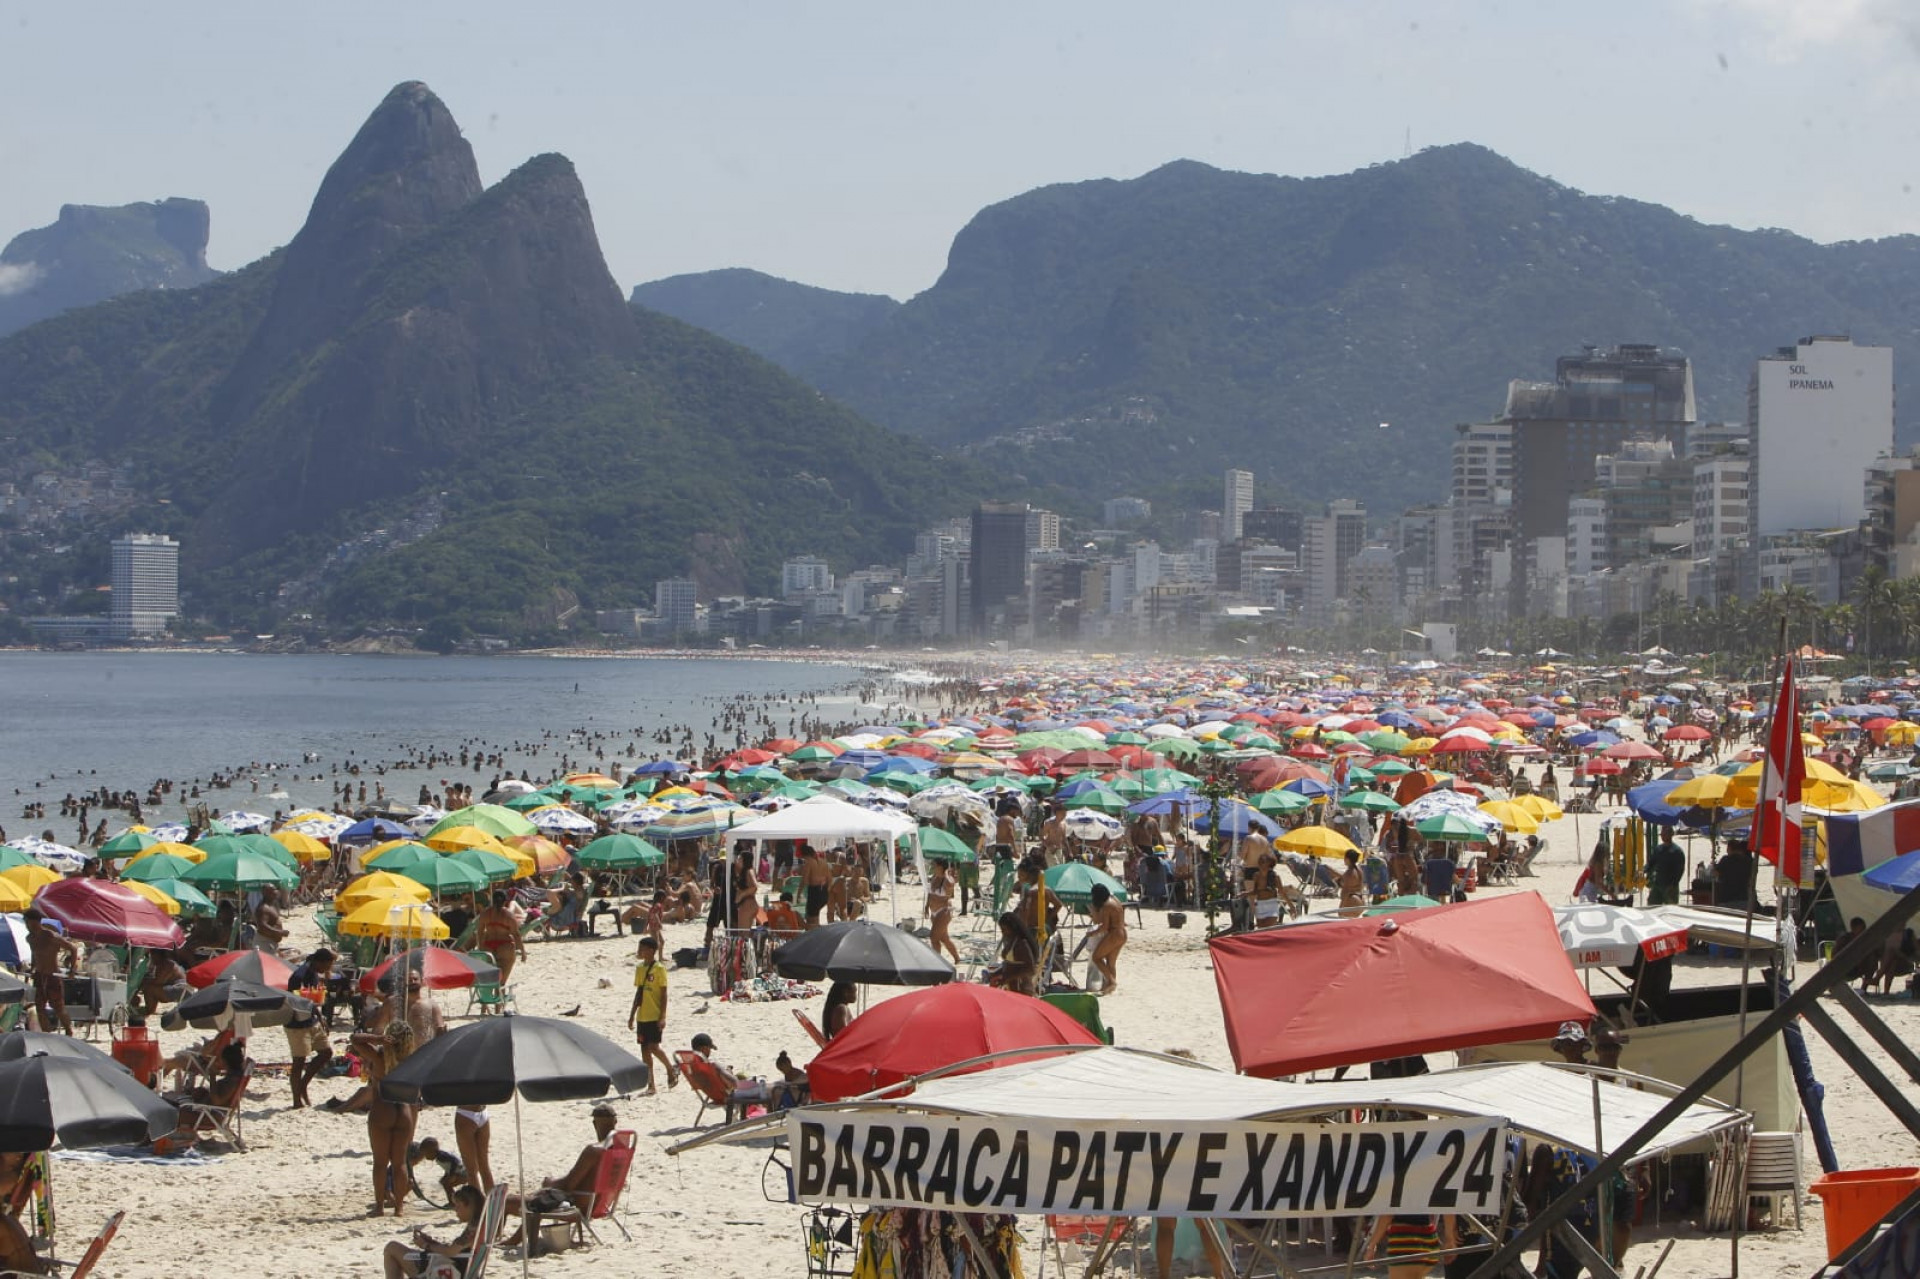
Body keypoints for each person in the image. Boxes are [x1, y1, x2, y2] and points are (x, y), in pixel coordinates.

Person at [500, 1104, 620, 1246]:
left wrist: (550, 1183)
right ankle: (514, 1239)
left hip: (579, 1205)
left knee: (507, 1201)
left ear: (594, 1124)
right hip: (602, 1204)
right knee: (539, 1196)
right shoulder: (621, 1150)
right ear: (615, 1122)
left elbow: (568, 1185)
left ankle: (499, 1239)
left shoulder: (593, 1151)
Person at [352, 1020, 419, 1216]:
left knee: (380, 1163)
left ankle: (380, 1206)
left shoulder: (379, 1056)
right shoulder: (411, 1059)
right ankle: (399, 1208)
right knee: (399, 1163)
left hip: (382, 1109)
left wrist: (379, 1038)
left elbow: (355, 1040)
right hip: (404, 1110)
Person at [382, 1184, 484, 1279]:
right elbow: (456, 1250)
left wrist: (426, 1245)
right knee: (393, 1248)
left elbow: (450, 1251)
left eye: (458, 1206)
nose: (455, 1210)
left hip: (449, 1270)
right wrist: (432, 1243)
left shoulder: (473, 1229)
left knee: (391, 1248)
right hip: (456, 1266)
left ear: (468, 1206)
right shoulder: (480, 1225)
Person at [284, 948, 336, 1109]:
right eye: (327, 966)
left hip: (312, 1020)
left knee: (326, 1052)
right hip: (296, 1023)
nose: (327, 970)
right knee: (299, 1061)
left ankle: (303, 1086)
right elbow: (293, 1000)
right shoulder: (299, 976)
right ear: (318, 962)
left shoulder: (313, 972)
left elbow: (312, 999)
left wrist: (321, 1019)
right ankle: (296, 1100)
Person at [627, 936, 677, 1094]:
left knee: (654, 1047)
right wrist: (632, 1015)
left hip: (654, 1015)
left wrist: (662, 1017)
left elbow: (664, 995)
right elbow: (639, 992)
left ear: (651, 950)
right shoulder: (640, 968)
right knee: (644, 1051)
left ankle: (670, 1069)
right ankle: (651, 1084)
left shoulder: (659, 969)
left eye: (642, 948)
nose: (639, 951)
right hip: (642, 1016)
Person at [22, 911, 75, 1036]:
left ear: (35, 921)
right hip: (40, 976)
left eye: (27, 922)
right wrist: (33, 968)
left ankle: (68, 1031)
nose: (26, 925)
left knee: (58, 1007)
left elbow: (73, 948)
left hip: (53, 976)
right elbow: (34, 954)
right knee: (39, 1008)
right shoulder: (30, 938)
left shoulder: (50, 935)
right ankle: (47, 1034)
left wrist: (72, 970)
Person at [1364, 1212, 1457, 1278]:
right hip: (1429, 1237)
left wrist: (1372, 1245)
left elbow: (1388, 1214)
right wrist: (1450, 1239)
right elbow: (1447, 1204)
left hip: (1405, 1239)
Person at [472, 891, 526, 986]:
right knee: (506, 966)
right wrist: (522, 951)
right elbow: (516, 934)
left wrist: (480, 946)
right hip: (504, 945)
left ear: (492, 900)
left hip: (488, 945)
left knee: (490, 970)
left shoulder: (485, 914)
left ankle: (492, 988)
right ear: (505, 901)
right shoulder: (509, 915)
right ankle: (500, 988)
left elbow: (479, 932)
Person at [1087, 882, 1127, 995]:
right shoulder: (1116, 901)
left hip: (1114, 934)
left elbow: (1104, 926)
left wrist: (1092, 933)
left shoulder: (1106, 905)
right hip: (1122, 933)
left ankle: (1112, 982)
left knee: (1096, 957)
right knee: (1111, 962)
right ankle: (1108, 987)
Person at [990, 912, 1040, 996]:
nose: (1003, 932)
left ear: (1012, 928)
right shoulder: (1011, 941)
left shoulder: (1021, 944)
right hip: (1011, 987)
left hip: (1021, 988)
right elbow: (1009, 964)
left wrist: (1009, 977)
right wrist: (996, 974)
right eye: (1001, 930)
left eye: (1005, 929)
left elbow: (1030, 968)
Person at [924, 861, 959, 964]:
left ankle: (937, 962)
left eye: (936, 866)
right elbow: (930, 894)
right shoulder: (934, 878)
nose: (933, 867)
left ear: (941, 868)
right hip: (934, 912)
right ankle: (957, 958)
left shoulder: (947, 881)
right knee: (944, 938)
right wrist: (926, 906)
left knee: (933, 937)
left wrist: (947, 873)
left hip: (943, 912)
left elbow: (952, 885)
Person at [454, 1104, 494, 1193]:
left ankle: (477, 1206)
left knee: (471, 1171)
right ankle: (494, 1204)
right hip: (483, 1111)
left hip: (465, 1112)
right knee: (484, 1167)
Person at [1647, 832, 1686, 906]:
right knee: (1652, 906)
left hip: (1670, 886)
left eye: (1665, 833)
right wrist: (1643, 870)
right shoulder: (1658, 849)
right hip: (1658, 884)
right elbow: (1651, 863)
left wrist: (1674, 884)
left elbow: (1680, 870)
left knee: (1671, 909)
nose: (1662, 835)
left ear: (1671, 834)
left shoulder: (1677, 851)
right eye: (1662, 833)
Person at [800, 847, 831, 929]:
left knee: (812, 920)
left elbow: (805, 880)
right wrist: (826, 890)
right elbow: (830, 879)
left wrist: (799, 893)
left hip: (814, 891)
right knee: (814, 916)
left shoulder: (809, 862)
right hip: (823, 891)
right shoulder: (824, 861)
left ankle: (815, 937)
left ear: (805, 855)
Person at [1337, 849, 1366, 914]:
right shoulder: (1359, 870)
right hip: (1361, 900)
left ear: (1347, 859)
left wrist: (1341, 908)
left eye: (1344, 858)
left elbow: (1347, 891)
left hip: (1351, 901)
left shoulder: (1349, 873)